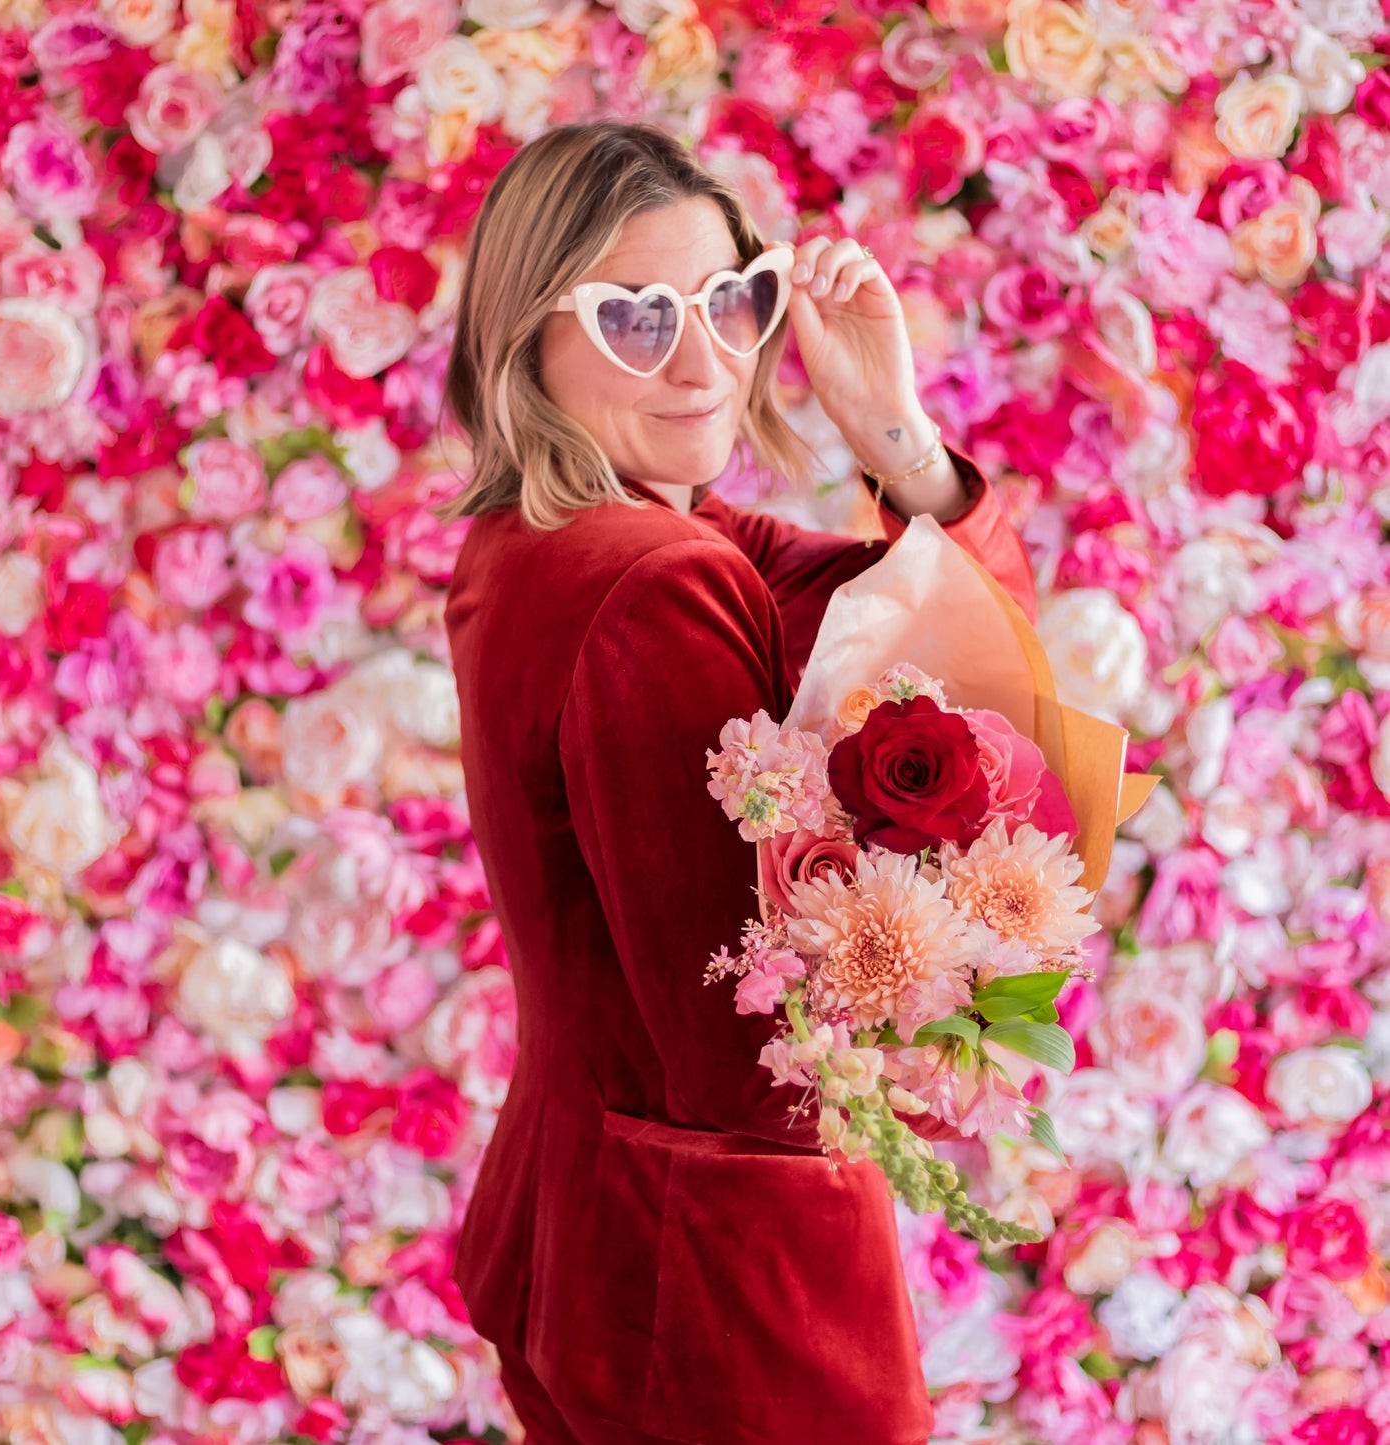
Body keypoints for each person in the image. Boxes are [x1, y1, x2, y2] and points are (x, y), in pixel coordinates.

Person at [441, 120, 1037, 1445]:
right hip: (717, 1305)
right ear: (528, 336)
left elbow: (945, 640)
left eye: (731, 299)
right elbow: (752, 1053)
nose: (705, 360)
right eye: (635, 317)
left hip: (590, 1234)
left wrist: (891, 429)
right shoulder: (657, 577)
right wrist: (938, 1008)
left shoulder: (551, 532)